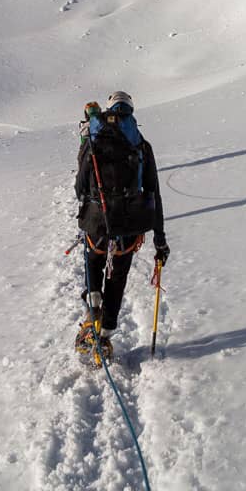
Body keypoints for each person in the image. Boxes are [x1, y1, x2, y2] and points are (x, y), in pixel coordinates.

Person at [75, 91, 169, 359]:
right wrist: (159, 239)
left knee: (93, 261)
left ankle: (92, 310)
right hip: (129, 224)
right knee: (117, 277)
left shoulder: (92, 141)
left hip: (96, 222)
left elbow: (79, 187)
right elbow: (154, 193)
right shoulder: (141, 145)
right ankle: (104, 337)